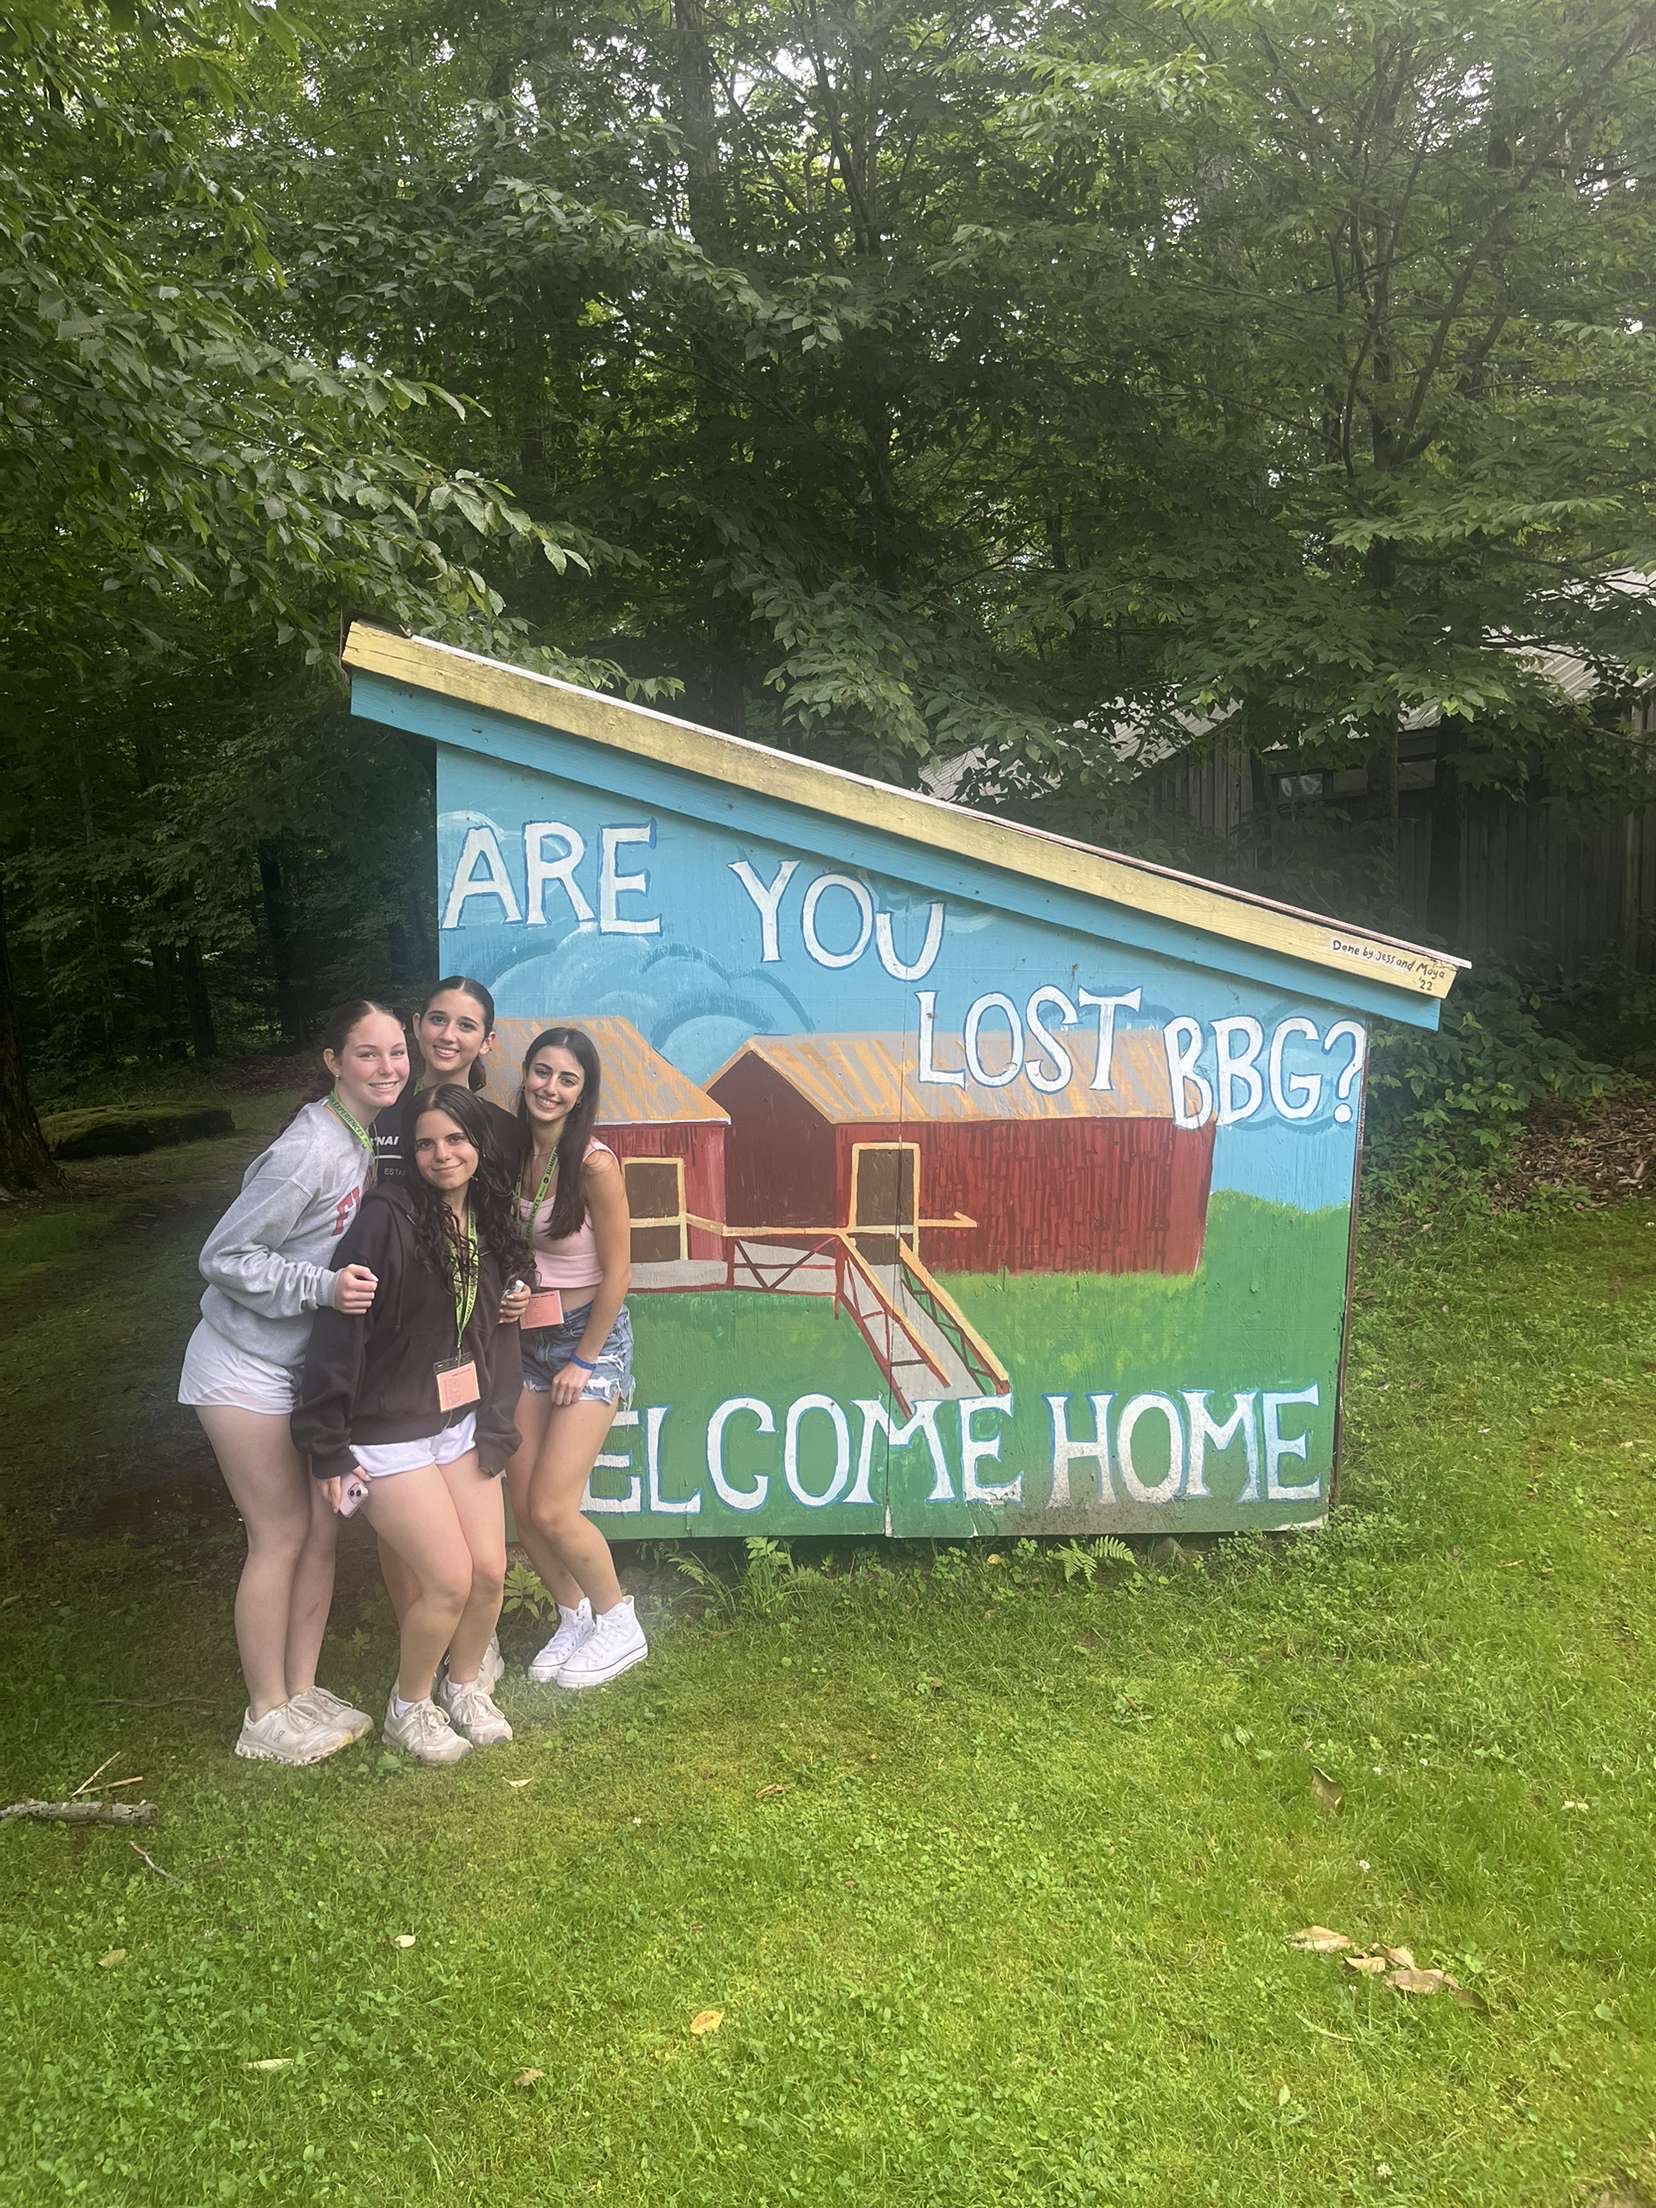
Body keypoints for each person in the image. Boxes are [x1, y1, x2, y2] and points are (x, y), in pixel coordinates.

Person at [179, 999, 408, 1765]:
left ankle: (301, 1689)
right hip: (241, 1367)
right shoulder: (307, 1148)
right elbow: (224, 1256)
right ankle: (263, 1713)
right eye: (368, 1054)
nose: (388, 1068)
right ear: (332, 1060)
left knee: (321, 1530)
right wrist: (321, 1287)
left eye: (396, 1053)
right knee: (277, 1534)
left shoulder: (367, 1138)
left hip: (300, 1374)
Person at [293, 1085, 530, 1766]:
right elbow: (339, 1336)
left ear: (480, 1146)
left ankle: (464, 1688)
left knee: (489, 1571)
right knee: (450, 1579)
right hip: (386, 1430)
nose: (441, 1154)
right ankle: (410, 1705)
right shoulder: (385, 1218)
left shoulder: (488, 1216)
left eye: (456, 1139)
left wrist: (516, 1286)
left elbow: (499, 1296)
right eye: (426, 1143)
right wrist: (328, 1451)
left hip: (461, 1421)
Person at [371, 975, 526, 1692]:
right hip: (394, 1340)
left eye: (466, 1025)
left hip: (466, 1343)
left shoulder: (501, 1130)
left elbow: (502, 1225)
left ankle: (468, 1644)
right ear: (417, 1023)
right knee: (407, 1533)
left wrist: (517, 1283)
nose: (448, 1036)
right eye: (437, 1020)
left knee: (473, 1545)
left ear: (485, 1040)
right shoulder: (384, 1117)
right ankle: (422, 1643)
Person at [506, 1025, 647, 1690]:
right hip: (525, 1345)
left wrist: (583, 1361)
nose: (550, 1087)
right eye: (542, 1071)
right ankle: (573, 1616)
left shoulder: (592, 1162)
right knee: (524, 1504)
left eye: (567, 1078)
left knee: (556, 1506)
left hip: (589, 1342)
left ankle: (620, 1622)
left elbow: (619, 1273)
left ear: (582, 1092)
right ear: (525, 1073)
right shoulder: (508, 1151)